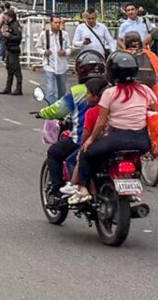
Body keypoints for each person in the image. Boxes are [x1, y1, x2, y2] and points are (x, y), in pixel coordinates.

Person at [62, 51, 158, 203]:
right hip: (141, 141)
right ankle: (135, 179)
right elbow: (157, 112)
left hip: (116, 140)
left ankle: (82, 189)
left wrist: (91, 140)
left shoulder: (109, 93)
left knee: (86, 154)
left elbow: (101, 122)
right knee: (134, 159)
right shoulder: (145, 90)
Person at [36, 56, 108, 204]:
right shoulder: (110, 89)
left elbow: (58, 110)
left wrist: (42, 112)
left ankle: (57, 192)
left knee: (54, 153)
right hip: (109, 139)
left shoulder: (77, 92)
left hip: (81, 139)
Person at [35, 15, 74, 101]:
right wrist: (44, 52)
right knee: (50, 89)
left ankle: (60, 107)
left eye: (59, 23)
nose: (57, 25)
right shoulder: (44, 34)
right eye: (55, 23)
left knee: (62, 90)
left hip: (62, 66)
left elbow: (70, 48)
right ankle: (51, 108)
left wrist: (65, 52)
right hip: (49, 66)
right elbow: (38, 47)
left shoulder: (64, 34)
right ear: (51, 23)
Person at [121, 31, 158, 101]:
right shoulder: (151, 54)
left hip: (126, 96)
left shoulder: (120, 55)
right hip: (152, 96)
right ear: (140, 42)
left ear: (125, 43)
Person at [0, 7, 24, 95]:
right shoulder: (9, 25)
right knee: (9, 69)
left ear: (10, 16)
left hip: (14, 49)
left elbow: (18, 38)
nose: (4, 18)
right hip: (9, 48)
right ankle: (8, 87)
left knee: (16, 69)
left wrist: (8, 35)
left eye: (5, 16)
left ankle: (19, 88)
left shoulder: (15, 25)